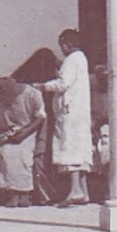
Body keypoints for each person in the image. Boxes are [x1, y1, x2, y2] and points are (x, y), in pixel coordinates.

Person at [40, 29, 93, 205]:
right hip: (79, 112)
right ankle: (83, 192)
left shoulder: (72, 60)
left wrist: (43, 86)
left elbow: (63, 84)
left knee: (71, 149)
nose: (61, 49)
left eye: (62, 45)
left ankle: (75, 190)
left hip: (70, 112)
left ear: (67, 44)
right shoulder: (81, 58)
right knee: (80, 149)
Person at [0, 76, 45, 208]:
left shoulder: (32, 94)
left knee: (23, 154)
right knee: (5, 153)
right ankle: (13, 193)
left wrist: (24, 133)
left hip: (26, 131)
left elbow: (40, 118)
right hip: (4, 131)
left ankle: (25, 193)